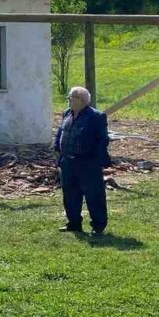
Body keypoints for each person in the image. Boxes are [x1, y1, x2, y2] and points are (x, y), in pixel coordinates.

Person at [54, 86, 111, 235]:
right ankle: (73, 223)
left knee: (94, 196)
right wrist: (59, 153)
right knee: (70, 195)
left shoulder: (96, 117)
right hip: (68, 162)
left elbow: (102, 140)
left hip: (87, 163)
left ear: (83, 100)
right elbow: (60, 133)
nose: (69, 100)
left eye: (72, 97)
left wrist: (96, 161)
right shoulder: (67, 113)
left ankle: (98, 226)